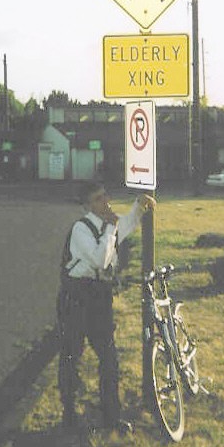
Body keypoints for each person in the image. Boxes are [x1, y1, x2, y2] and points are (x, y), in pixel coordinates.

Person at [57, 181, 156, 432]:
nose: (107, 201)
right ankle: (69, 414)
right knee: (72, 356)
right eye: (100, 198)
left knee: (109, 359)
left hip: (99, 297)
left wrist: (138, 205)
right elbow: (101, 260)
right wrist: (113, 228)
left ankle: (112, 417)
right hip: (77, 297)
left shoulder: (107, 224)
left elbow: (127, 225)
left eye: (106, 196)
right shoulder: (81, 229)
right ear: (88, 205)